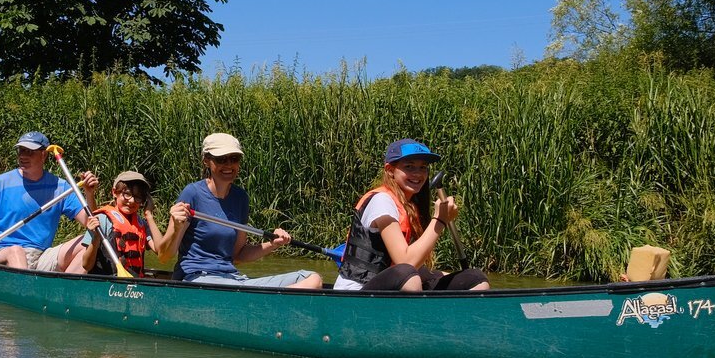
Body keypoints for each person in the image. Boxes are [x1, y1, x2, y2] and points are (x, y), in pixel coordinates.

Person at [164, 133, 323, 288]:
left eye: (234, 159)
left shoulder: (240, 198)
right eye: (221, 159)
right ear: (206, 161)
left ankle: (265, 304)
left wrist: (273, 244)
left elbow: (238, 255)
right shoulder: (192, 194)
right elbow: (165, 255)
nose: (228, 165)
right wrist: (177, 228)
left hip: (231, 277)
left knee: (312, 279)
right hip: (197, 277)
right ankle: (266, 303)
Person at [334, 138, 490, 292]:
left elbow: (415, 269)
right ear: (390, 170)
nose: (418, 173)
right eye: (409, 167)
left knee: (475, 279)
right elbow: (406, 263)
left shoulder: (409, 207)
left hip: (397, 283)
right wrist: (440, 220)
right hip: (358, 290)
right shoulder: (382, 201)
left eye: (423, 167)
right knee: (408, 275)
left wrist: (457, 279)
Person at [0, 131, 98, 270]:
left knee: (89, 241)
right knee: (16, 251)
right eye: (21, 150)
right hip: (2, 253)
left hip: (40, 256)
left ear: (44, 155)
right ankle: (25, 290)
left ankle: (64, 290)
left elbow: (91, 222)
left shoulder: (61, 187)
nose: (23, 156)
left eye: (30, 152)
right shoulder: (0, 183)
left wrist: (89, 193)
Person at [70, 171, 181, 277]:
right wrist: (95, 238)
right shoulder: (102, 220)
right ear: (114, 192)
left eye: (138, 197)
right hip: (106, 284)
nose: (132, 200)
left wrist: (149, 215)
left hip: (133, 287)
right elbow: (86, 265)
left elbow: (161, 251)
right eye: (127, 194)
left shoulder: (142, 224)